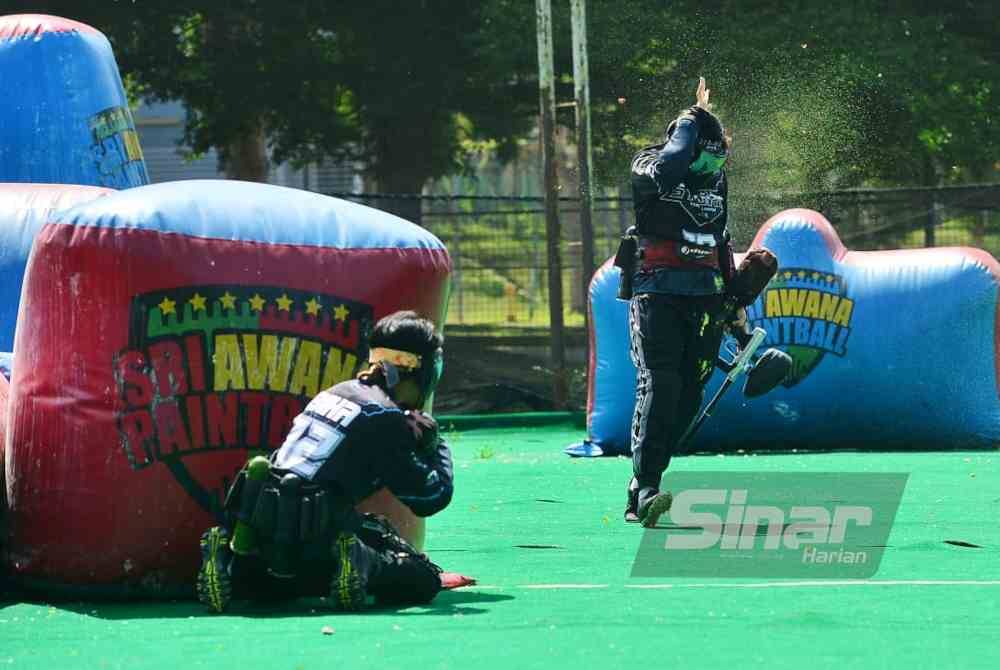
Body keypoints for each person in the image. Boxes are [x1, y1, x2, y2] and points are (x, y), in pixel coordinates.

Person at [196, 310, 453, 613]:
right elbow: (431, 497)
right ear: (417, 371)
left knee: (274, 586)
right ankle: (361, 560)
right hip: (314, 538)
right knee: (422, 578)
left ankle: (228, 561)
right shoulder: (384, 416)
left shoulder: (333, 393)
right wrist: (435, 444)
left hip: (262, 540)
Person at [616, 77, 744, 527]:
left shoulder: (719, 180)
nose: (713, 164)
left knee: (690, 395)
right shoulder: (648, 164)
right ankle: (648, 485)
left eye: (719, 154)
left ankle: (641, 486)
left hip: (704, 298)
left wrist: (735, 300)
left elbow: (720, 238)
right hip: (656, 293)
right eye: (704, 152)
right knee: (661, 383)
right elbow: (670, 166)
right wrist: (690, 122)